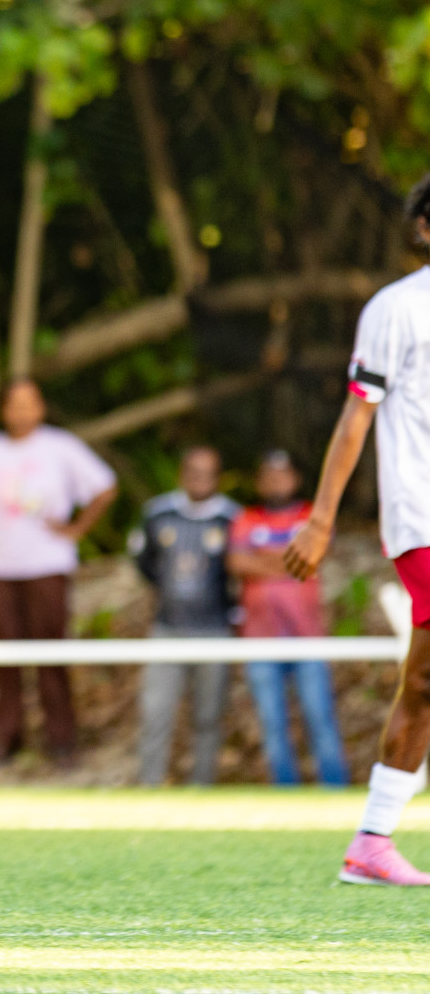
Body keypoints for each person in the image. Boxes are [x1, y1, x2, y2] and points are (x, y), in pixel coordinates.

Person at [285, 171, 430, 885]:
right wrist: (319, 519)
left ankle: (372, 842)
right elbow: (356, 417)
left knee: (426, 680)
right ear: (425, 229)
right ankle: (371, 840)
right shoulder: (396, 309)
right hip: (424, 515)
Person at [0, 378, 117, 765]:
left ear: (41, 408)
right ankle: (6, 738)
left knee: (51, 652)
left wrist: (76, 529)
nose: (21, 411)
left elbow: (105, 488)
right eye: (14, 404)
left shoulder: (60, 447)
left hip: (47, 563)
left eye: (29, 403)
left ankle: (61, 740)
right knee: (3, 656)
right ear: (2, 411)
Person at [229, 450, 348, 786]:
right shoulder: (246, 518)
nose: (275, 482)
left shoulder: (313, 516)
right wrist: (290, 562)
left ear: (295, 479)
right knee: (272, 723)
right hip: (260, 637)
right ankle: (286, 794)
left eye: (282, 474)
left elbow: (316, 557)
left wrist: (263, 561)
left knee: (320, 717)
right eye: (268, 475)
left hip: (307, 636)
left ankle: (335, 790)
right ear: (259, 481)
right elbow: (238, 563)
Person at [128, 447, 240, 786]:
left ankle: (201, 789)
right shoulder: (158, 513)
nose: (199, 479)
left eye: (207, 473)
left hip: (215, 630)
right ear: (182, 473)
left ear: (217, 478)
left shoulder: (231, 518)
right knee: (155, 713)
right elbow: (144, 563)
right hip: (168, 628)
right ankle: (149, 788)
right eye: (193, 471)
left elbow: (241, 571)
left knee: (208, 717)